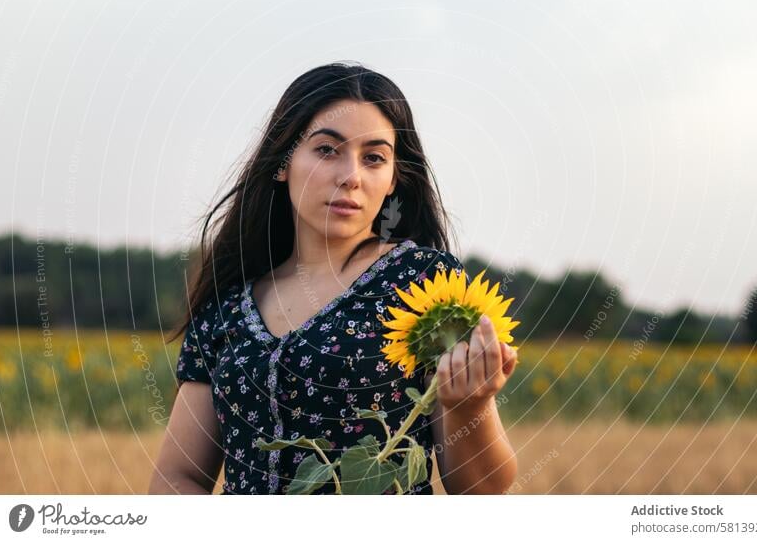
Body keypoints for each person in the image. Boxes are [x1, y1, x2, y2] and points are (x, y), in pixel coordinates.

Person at [148, 62, 518, 495]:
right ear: (282, 162)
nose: (351, 176)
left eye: (374, 158)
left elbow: (483, 492)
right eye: (327, 150)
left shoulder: (427, 287)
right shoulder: (224, 309)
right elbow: (178, 477)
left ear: (395, 177)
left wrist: (468, 406)